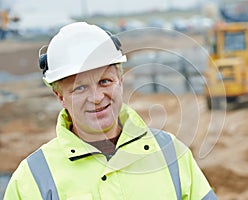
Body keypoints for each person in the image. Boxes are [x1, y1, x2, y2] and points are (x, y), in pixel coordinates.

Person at [4, 22, 217, 200]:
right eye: (79, 88)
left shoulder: (170, 153)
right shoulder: (32, 178)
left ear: (120, 82)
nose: (96, 98)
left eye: (105, 81)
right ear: (60, 97)